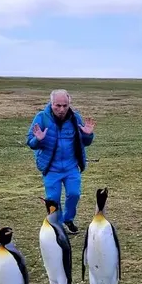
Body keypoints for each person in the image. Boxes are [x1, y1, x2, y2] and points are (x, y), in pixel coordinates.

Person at [26, 89, 96, 234]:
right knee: (53, 198)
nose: (61, 109)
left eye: (65, 105)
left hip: (71, 167)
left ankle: (68, 219)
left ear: (69, 104)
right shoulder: (41, 118)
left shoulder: (75, 118)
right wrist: (37, 139)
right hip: (51, 168)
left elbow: (85, 142)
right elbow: (31, 143)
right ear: (51, 103)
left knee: (74, 194)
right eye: (57, 105)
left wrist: (88, 135)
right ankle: (57, 226)